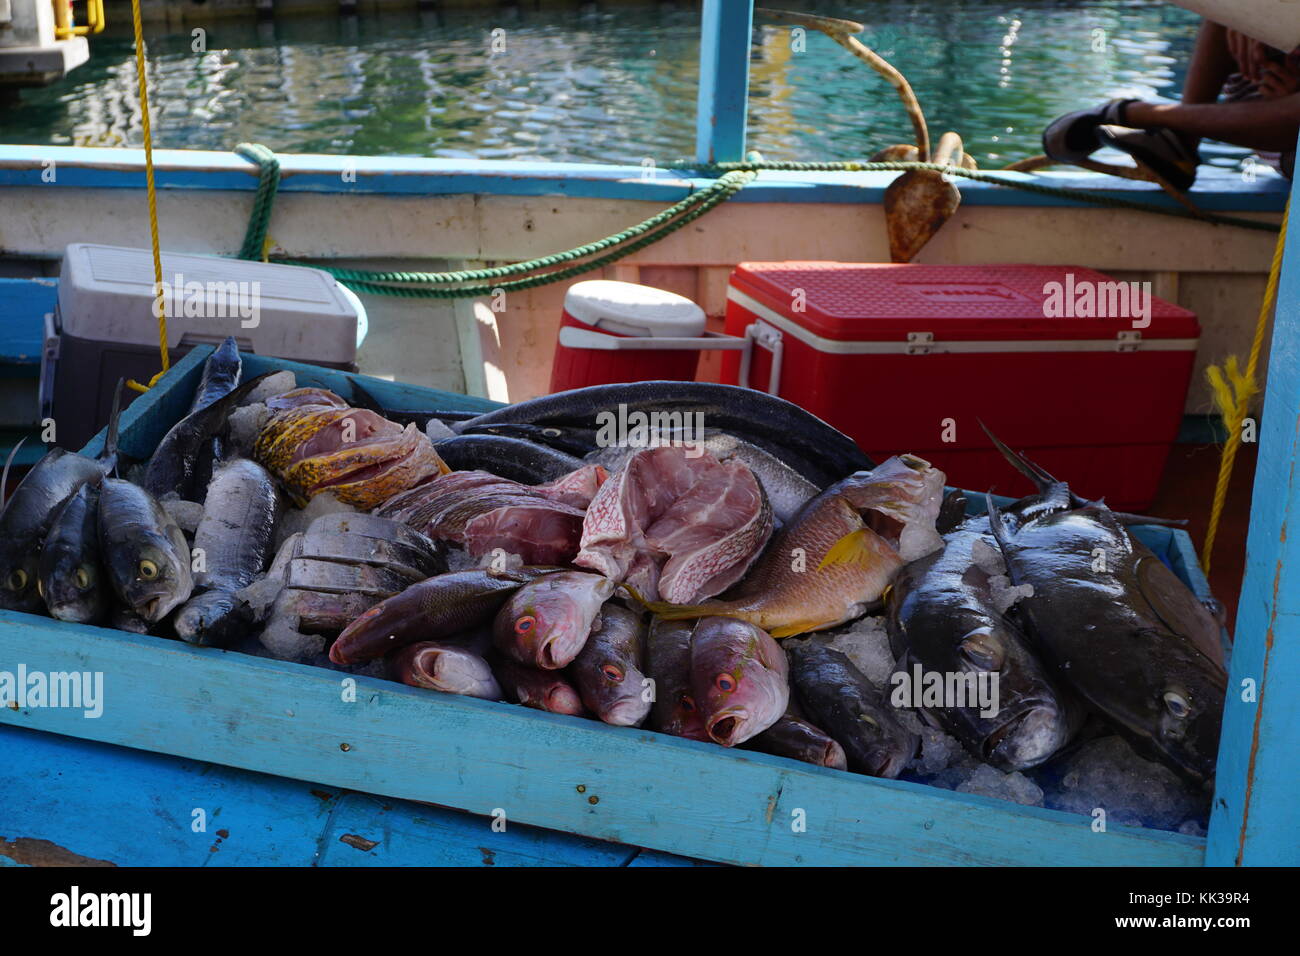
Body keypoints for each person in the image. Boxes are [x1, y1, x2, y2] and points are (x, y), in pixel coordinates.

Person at [1042, 20, 1300, 188]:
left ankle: (1137, 115)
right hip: (1274, 107)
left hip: (1290, 141)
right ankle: (1179, 143)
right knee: (1221, 18)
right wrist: (1251, 15)